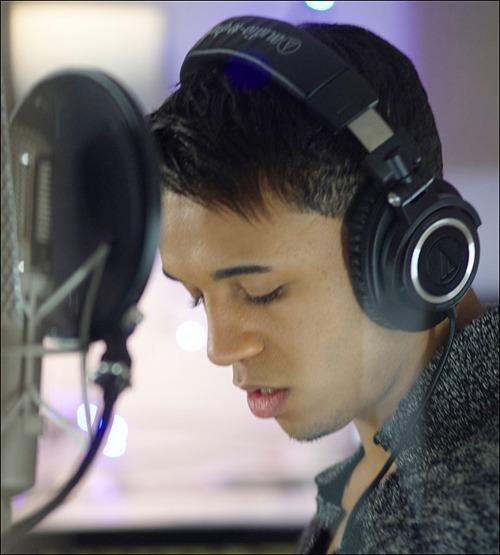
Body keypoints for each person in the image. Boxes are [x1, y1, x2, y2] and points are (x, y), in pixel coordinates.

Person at [147, 18, 499, 555]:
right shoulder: (379, 472)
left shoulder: (464, 514)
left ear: (410, 253)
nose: (222, 348)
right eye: (197, 297)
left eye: (261, 291)